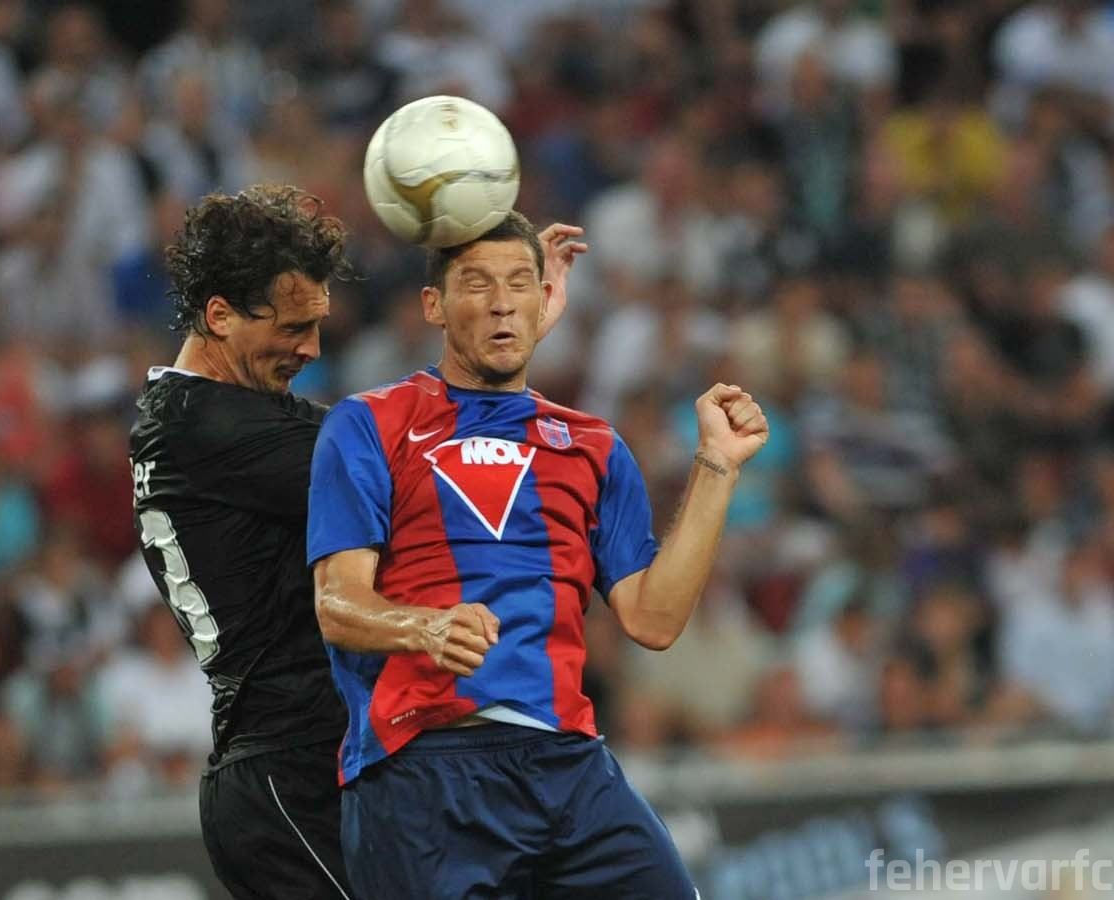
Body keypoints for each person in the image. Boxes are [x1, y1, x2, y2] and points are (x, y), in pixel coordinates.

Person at [130, 184, 582, 900]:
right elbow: (419, 462)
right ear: (219, 316)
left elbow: (400, 437)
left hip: (332, 760)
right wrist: (499, 341)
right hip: (289, 778)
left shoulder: (221, 414)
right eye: (293, 327)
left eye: (318, 325)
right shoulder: (209, 429)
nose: (311, 349)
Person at [307, 211, 769, 898]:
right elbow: (337, 604)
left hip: (568, 765)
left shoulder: (593, 445)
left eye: (519, 283)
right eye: (477, 284)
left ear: (545, 300)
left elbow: (654, 619)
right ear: (433, 305)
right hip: (423, 766)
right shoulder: (368, 423)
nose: (502, 302)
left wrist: (718, 466)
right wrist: (423, 626)